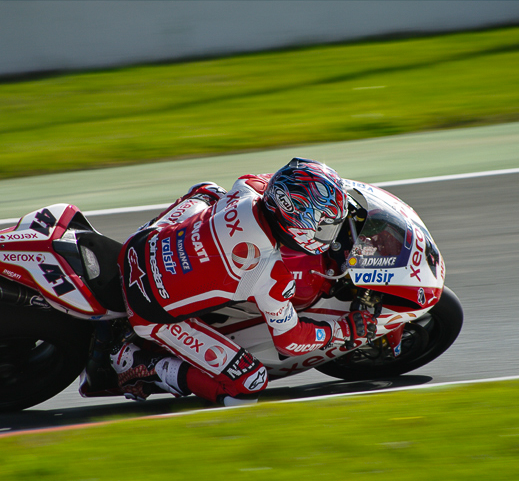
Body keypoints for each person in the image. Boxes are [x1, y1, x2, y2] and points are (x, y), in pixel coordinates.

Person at [91, 158, 377, 406]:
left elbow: (277, 183)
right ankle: (147, 365)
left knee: (209, 191)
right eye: (324, 226)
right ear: (297, 221)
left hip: (138, 246)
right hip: (150, 313)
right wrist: (344, 329)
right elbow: (290, 342)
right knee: (248, 384)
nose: (328, 235)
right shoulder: (271, 274)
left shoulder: (249, 187)